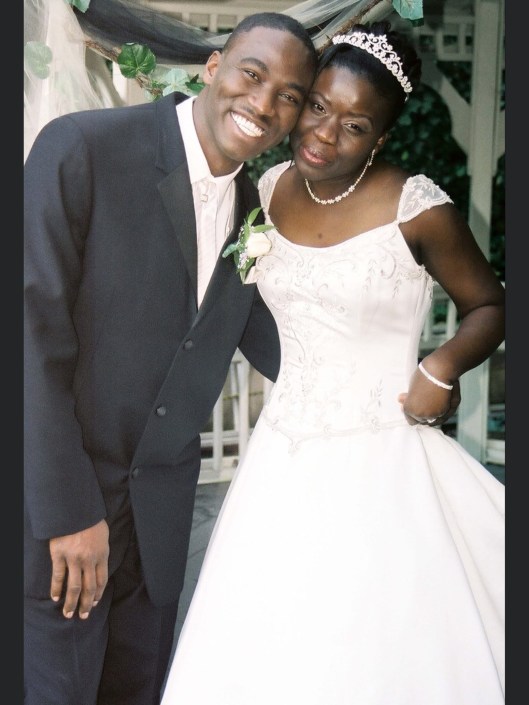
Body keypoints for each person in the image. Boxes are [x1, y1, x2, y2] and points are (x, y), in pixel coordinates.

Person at [160, 20, 505, 705]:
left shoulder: (418, 208)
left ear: (381, 137)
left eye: (354, 126)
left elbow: (489, 305)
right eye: (317, 107)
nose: (323, 133)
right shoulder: (266, 189)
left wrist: (439, 370)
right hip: (280, 455)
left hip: (383, 452)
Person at [23, 12, 318, 705]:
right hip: (56, 523)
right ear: (213, 68)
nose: (264, 104)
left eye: (289, 96)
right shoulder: (82, 148)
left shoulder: (258, 211)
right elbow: (29, 339)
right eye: (252, 74)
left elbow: (287, 348)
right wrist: (69, 513)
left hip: (157, 535)